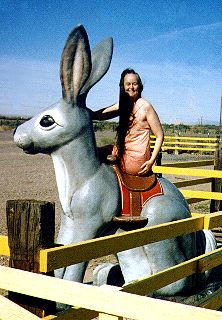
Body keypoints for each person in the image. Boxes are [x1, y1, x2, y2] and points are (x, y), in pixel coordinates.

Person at [91, 68, 164, 176]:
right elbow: (99, 115)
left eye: (134, 84)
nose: (131, 87)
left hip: (136, 162)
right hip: (124, 155)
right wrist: (85, 112)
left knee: (92, 154)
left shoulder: (145, 107)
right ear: (123, 86)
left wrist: (151, 161)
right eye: (128, 84)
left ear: (140, 86)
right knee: (95, 151)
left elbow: (160, 135)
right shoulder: (124, 105)